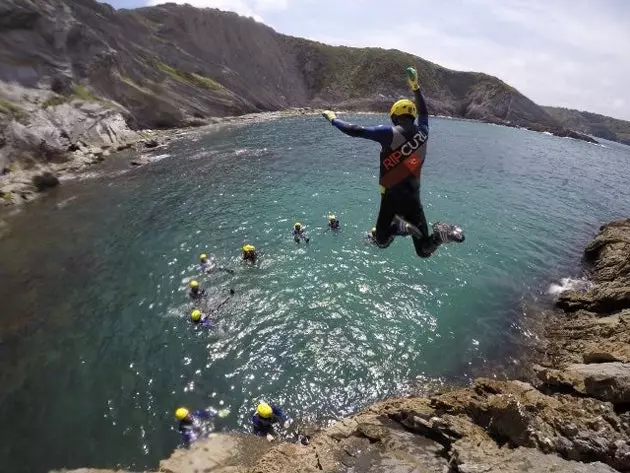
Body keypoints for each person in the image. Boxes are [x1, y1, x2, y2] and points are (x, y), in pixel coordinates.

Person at [321, 66, 465, 258]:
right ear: (411, 116)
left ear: (394, 115)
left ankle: (400, 227)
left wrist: (333, 119)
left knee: (380, 240)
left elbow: (355, 129)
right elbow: (424, 114)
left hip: (391, 198)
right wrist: (416, 87)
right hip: (413, 199)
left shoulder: (389, 133)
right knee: (423, 250)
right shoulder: (423, 132)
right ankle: (440, 236)